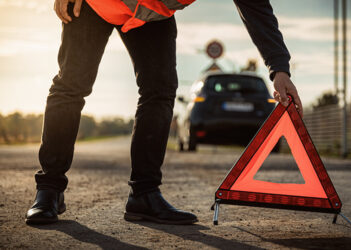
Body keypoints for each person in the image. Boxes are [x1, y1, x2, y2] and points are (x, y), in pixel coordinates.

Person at [26, 0, 303, 225]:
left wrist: (279, 69)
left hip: (152, 14)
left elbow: (256, 8)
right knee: (70, 86)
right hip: (96, 4)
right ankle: (49, 189)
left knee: (160, 90)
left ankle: (144, 194)